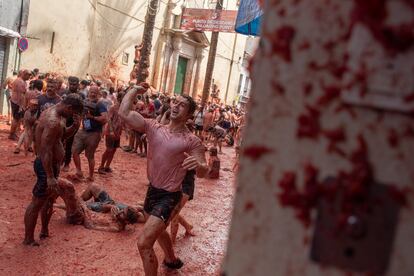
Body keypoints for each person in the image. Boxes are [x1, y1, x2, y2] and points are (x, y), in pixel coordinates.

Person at [119, 84, 208, 275]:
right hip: (153, 190)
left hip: (169, 195)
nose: (175, 106)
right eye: (175, 102)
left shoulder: (191, 140)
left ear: (190, 115)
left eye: (182, 105)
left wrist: (198, 166)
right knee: (158, 230)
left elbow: (203, 170)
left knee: (144, 243)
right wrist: (134, 90)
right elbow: (124, 113)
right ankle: (171, 259)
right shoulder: (154, 127)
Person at [23, 93, 83, 246]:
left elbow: (60, 137)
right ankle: (28, 239)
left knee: (49, 199)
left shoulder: (59, 114)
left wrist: (74, 128)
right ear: (69, 108)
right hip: (46, 166)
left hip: (52, 166)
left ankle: (44, 230)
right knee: (37, 202)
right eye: (74, 113)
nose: (73, 115)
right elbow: (45, 150)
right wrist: (49, 176)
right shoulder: (53, 121)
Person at [55, 180, 145, 231]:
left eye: (123, 213)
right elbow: (139, 206)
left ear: (127, 221)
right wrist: (111, 207)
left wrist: (85, 208)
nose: (121, 211)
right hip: (106, 204)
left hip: (90, 212)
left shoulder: (116, 227)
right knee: (93, 186)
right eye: (123, 210)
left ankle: (56, 205)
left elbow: (91, 226)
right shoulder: (129, 210)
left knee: (71, 200)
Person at [72, 85, 108, 181]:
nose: (92, 94)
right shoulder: (85, 102)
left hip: (94, 133)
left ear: (98, 94)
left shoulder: (100, 104)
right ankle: (79, 172)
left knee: (89, 155)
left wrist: (92, 117)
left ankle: (91, 176)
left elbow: (105, 118)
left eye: (95, 92)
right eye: (91, 92)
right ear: (89, 92)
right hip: (83, 130)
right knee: (74, 151)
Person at [98, 92, 124, 173]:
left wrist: (125, 130)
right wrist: (112, 131)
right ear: (120, 98)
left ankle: (107, 166)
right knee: (109, 149)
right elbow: (109, 119)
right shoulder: (113, 107)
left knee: (114, 150)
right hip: (110, 132)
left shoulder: (123, 109)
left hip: (117, 132)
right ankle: (101, 167)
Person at [170, 170, 196, 243]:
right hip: (175, 183)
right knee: (173, 212)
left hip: (184, 186)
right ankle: (187, 226)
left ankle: (172, 242)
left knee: (174, 214)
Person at [62, 76, 81, 172]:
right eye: (71, 84)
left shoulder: (80, 95)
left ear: (78, 84)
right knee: (59, 141)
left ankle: (66, 163)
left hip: (73, 122)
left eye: (74, 84)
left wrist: (78, 121)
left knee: (69, 143)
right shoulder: (64, 93)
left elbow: (81, 110)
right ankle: (59, 160)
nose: (72, 86)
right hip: (63, 120)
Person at [9, 69, 31, 140]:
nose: (29, 77)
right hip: (17, 102)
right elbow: (23, 93)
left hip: (17, 102)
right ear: (24, 74)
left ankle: (14, 133)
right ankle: (12, 134)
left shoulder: (22, 81)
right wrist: (21, 106)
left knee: (17, 118)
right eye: (29, 75)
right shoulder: (20, 81)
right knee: (16, 119)